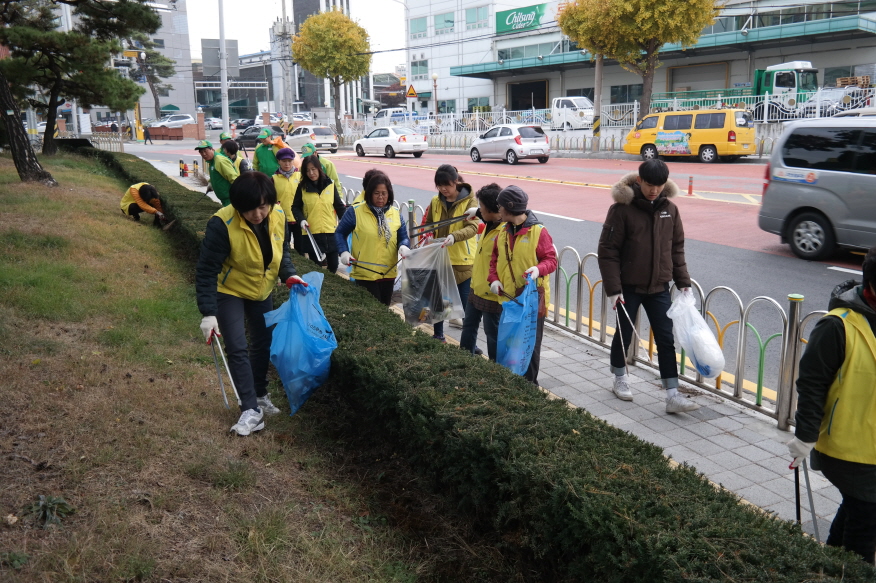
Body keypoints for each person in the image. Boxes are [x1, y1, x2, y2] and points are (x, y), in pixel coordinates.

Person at [195, 171, 306, 436]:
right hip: (230, 290)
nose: (257, 214)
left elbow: (282, 251)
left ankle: (260, 394)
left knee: (262, 343)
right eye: (249, 209)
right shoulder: (221, 224)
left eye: (262, 206)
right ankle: (249, 409)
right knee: (237, 346)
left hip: (262, 288)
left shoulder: (277, 216)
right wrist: (208, 313)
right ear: (237, 206)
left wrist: (288, 274)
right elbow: (207, 269)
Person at [788, 247, 876, 564]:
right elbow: (812, 383)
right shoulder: (837, 326)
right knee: (866, 524)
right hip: (847, 448)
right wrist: (805, 436)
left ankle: (825, 566)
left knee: (858, 509)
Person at [597, 159, 699, 414]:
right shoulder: (621, 209)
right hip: (628, 287)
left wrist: (683, 281)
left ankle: (673, 394)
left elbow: (676, 248)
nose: (654, 190)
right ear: (639, 180)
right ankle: (620, 377)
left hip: (659, 287)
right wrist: (614, 289)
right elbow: (607, 251)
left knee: (666, 339)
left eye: (659, 185)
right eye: (649, 184)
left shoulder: (670, 210)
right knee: (624, 334)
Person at [487, 186, 557, 385]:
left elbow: (551, 260)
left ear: (510, 208)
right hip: (508, 299)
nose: (498, 209)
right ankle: (512, 383)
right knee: (509, 343)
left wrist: (538, 269)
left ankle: (529, 386)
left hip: (532, 301)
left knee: (529, 346)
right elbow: (494, 260)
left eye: (500, 206)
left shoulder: (538, 232)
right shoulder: (502, 231)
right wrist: (494, 280)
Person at [421, 164, 478, 343]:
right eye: (439, 185)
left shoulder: (470, 202)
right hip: (440, 258)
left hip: (463, 260)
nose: (444, 189)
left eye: (447, 185)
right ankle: (438, 335)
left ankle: (469, 344)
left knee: (465, 307)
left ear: (456, 181)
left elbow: (473, 227)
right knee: (439, 301)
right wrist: (428, 232)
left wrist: (454, 237)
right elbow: (429, 222)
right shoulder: (436, 201)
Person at [335, 173, 410, 305]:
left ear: (389, 194)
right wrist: (344, 252)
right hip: (365, 273)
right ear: (369, 193)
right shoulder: (355, 212)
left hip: (388, 273)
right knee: (371, 311)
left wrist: (404, 246)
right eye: (376, 193)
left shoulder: (396, 213)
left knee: (384, 310)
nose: (381, 197)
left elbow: (403, 237)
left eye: (384, 193)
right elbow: (339, 233)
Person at [460, 183, 504, 360]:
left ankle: (496, 370)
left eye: (482, 208)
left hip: (492, 293)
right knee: (469, 326)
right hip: (476, 286)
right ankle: (463, 360)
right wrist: (477, 212)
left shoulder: (505, 231)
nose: (480, 212)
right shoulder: (490, 221)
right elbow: (484, 215)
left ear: (493, 210)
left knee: (492, 335)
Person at [292, 154, 346, 273]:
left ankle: (331, 289)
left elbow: (339, 206)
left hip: (330, 232)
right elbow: (295, 207)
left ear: (319, 168)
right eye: (307, 170)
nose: (311, 173)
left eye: (313, 169)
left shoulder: (330, 185)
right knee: (316, 267)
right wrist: (301, 220)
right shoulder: (302, 188)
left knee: (333, 266)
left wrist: (348, 224)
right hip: (312, 233)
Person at [195, 139, 239, 207]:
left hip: (231, 200)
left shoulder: (219, 160)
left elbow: (234, 178)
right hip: (225, 200)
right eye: (201, 152)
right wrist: (211, 183)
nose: (203, 154)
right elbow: (216, 175)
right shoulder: (212, 161)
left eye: (205, 151)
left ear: (212, 149)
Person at [272, 147, 300, 249]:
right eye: (284, 161)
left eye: (289, 161)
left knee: (300, 247)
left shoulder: (300, 177)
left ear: (293, 161)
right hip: (282, 218)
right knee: (284, 246)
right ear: (279, 161)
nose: (287, 164)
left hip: (299, 218)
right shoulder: (274, 179)